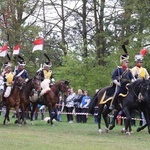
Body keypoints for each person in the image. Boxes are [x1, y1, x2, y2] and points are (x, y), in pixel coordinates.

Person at [131, 54, 149, 126]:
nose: (141, 63)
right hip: (136, 85)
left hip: (143, 84)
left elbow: (147, 77)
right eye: (139, 62)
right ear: (136, 63)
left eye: (141, 62)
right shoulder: (133, 69)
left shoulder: (144, 70)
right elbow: (132, 78)